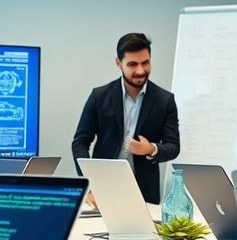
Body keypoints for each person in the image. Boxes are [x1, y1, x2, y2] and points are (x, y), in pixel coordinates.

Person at [72, 33, 180, 204]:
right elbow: (80, 143)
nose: (140, 70)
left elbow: (173, 147)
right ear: (118, 63)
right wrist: (89, 184)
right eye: (132, 64)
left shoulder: (165, 100)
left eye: (145, 62)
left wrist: (151, 149)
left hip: (145, 192)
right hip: (103, 189)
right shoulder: (99, 96)